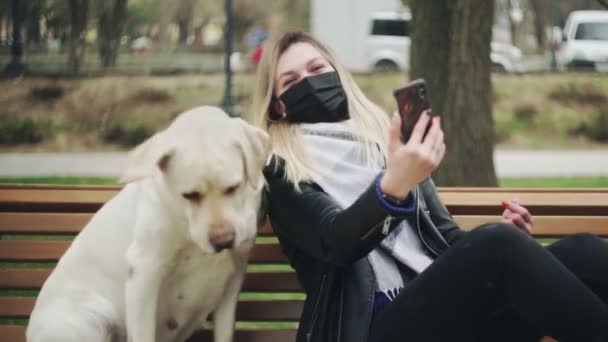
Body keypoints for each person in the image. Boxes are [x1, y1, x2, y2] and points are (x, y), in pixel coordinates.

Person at [252, 31, 608, 342]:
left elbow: (446, 238)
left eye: (317, 70)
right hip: (372, 328)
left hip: (445, 316)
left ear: (338, 75)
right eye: (291, 80)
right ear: (278, 105)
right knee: (497, 245)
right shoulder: (282, 168)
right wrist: (394, 187)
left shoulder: (382, 143)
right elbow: (336, 242)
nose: (310, 82)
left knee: (583, 250)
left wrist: (506, 243)